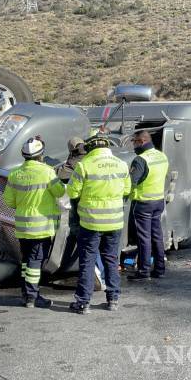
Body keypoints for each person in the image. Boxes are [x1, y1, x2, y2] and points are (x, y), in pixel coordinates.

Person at [67, 134, 131, 314]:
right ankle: (113, 299)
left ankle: (83, 303)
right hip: (114, 221)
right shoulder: (121, 164)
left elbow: (72, 193)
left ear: (90, 148)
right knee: (111, 259)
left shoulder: (84, 165)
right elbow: (127, 190)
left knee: (87, 262)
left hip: (91, 222)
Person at [3, 136, 65, 308]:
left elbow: (9, 201)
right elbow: (60, 192)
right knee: (35, 262)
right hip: (41, 227)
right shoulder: (47, 172)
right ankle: (32, 296)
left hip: (23, 227)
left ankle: (25, 292)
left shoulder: (15, 174)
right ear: (41, 154)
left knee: (26, 261)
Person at [127, 130, 169, 281]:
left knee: (144, 238)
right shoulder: (162, 156)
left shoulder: (140, 159)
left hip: (143, 202)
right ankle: (160, 269)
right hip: (158, 201)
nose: (133, 145)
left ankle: (144, 271)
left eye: (134, 142)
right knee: (157, 236)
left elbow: (131, 182)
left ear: (142, 141)